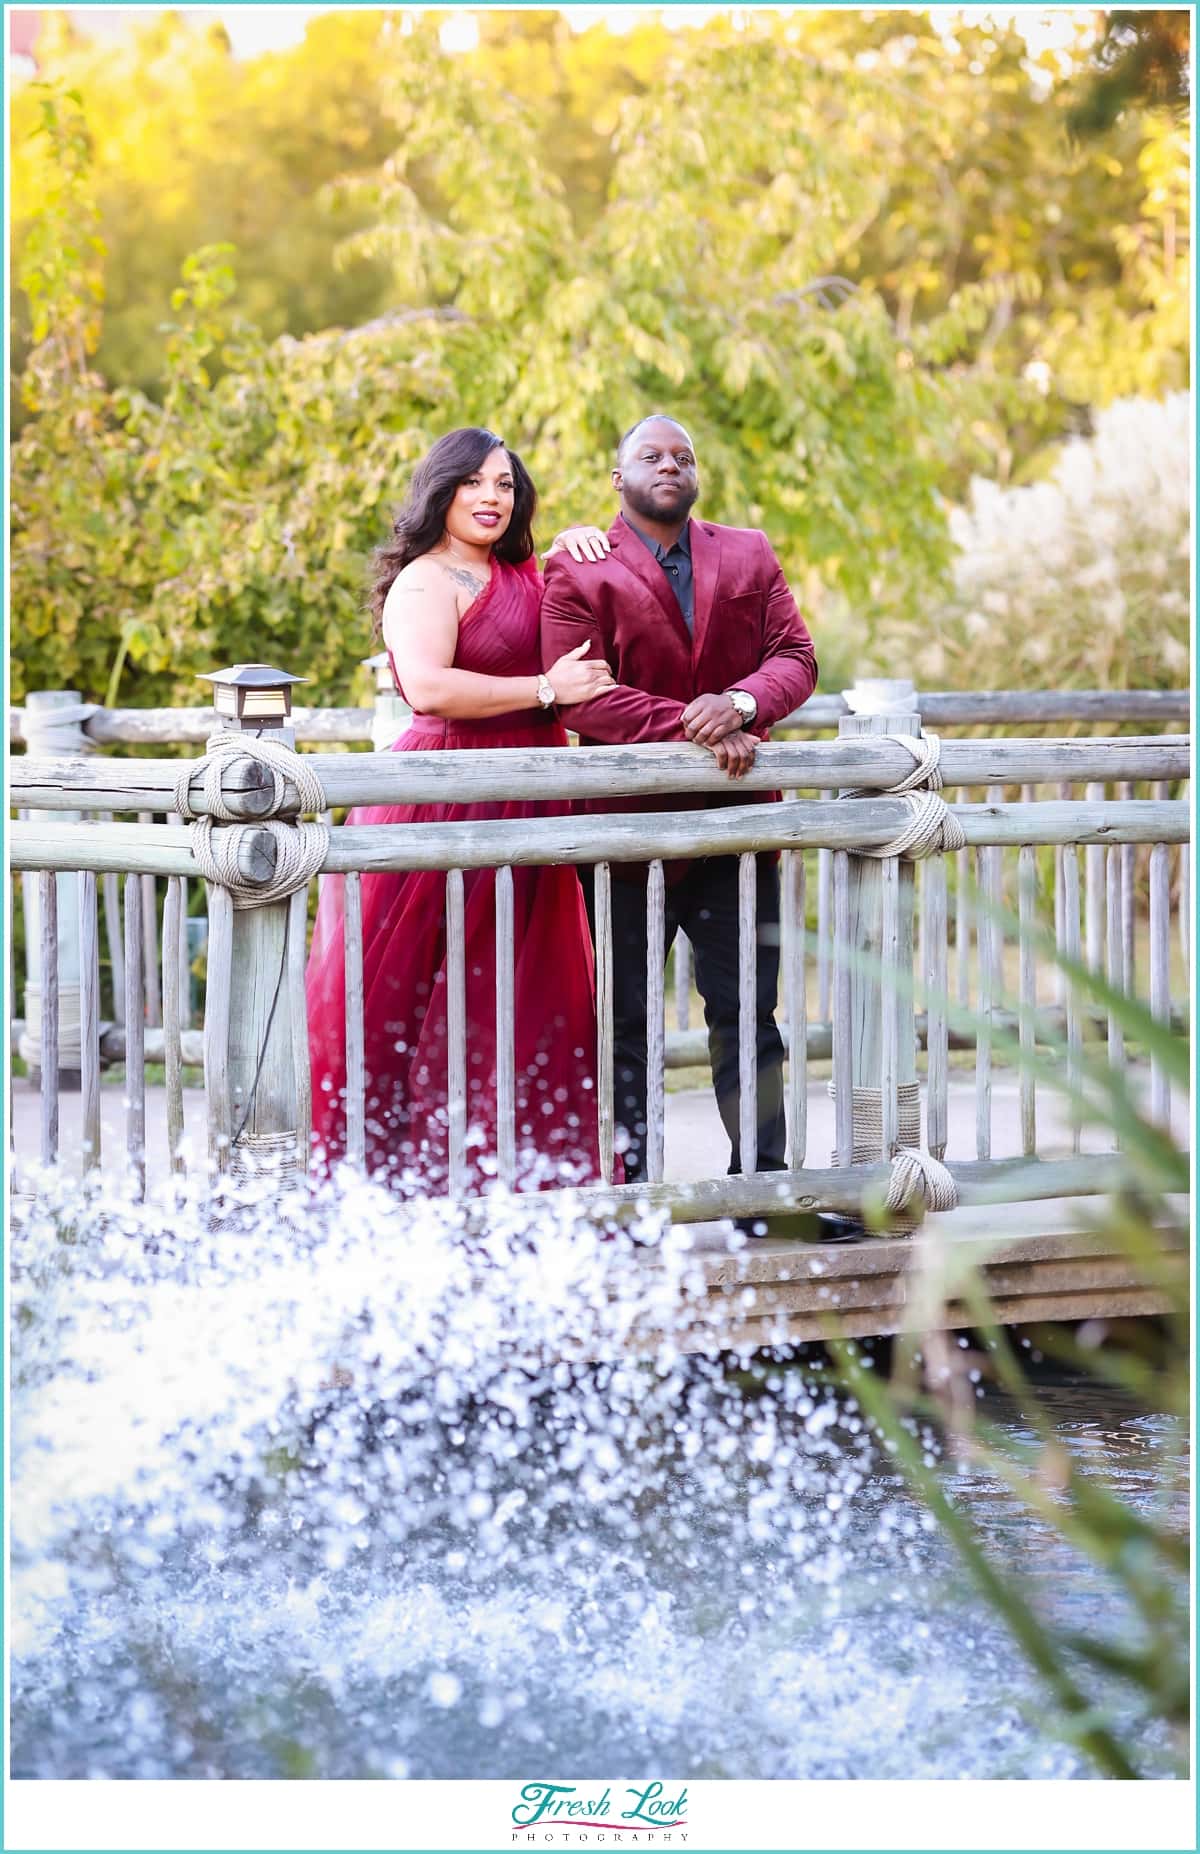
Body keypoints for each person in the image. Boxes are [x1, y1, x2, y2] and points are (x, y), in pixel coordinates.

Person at [305, 426, 616, 1194]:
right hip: (442, 799)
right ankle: (390, 1193)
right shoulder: (426, 581)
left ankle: (525, 1190)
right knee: (406, 1006)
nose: (491, 498)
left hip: (532, 800)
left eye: (506, 485)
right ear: (441, 492)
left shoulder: (526, 574)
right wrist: (548, 692)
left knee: (524, 1000)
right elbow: (432, 686)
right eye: (475, 483)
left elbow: (588, 633)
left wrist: (585, 546)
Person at [539, 413, 819, 1192]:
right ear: (617, 477)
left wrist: (740, 703)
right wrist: (702, 724)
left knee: (748, 1018)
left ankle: (764, 1187)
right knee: (625, 1026)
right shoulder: (576, 569)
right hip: (625, 841)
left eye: (683, 455)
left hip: (738, 827)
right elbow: (581, 703)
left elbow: (796, 658)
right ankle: (633, 1192)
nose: (670, 464)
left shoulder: (749, 551)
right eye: (650, 455)